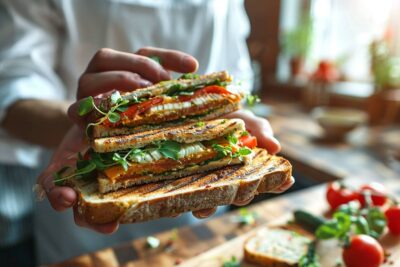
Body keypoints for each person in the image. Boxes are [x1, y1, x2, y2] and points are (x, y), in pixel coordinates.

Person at [1, 0, 293, 265]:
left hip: (203, 218)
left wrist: (225, 124)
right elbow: (13, 89)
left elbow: (237, 75)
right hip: (81, 214)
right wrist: (87, 126)